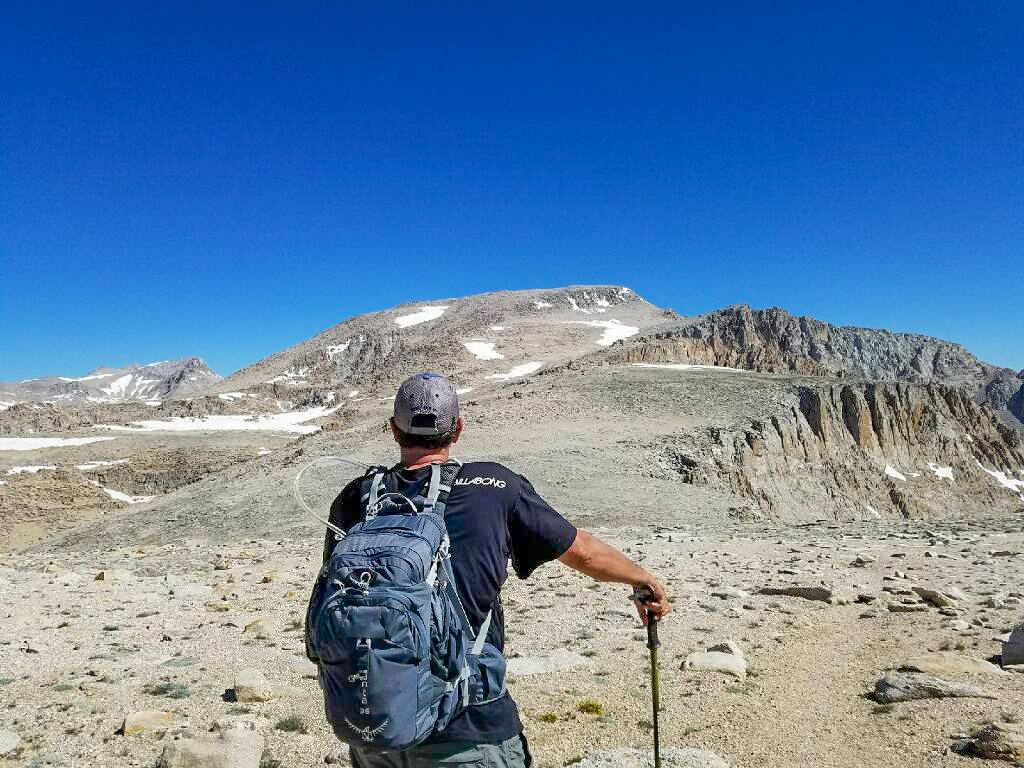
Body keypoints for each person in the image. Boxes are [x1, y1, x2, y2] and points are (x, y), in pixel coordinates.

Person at [323, 372, 670, 768]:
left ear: (393, 430)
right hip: (469, 728)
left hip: (376, 728)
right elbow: (584, 554)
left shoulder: (356, 497)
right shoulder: (495, 485)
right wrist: (643, 579)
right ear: (457, 428)